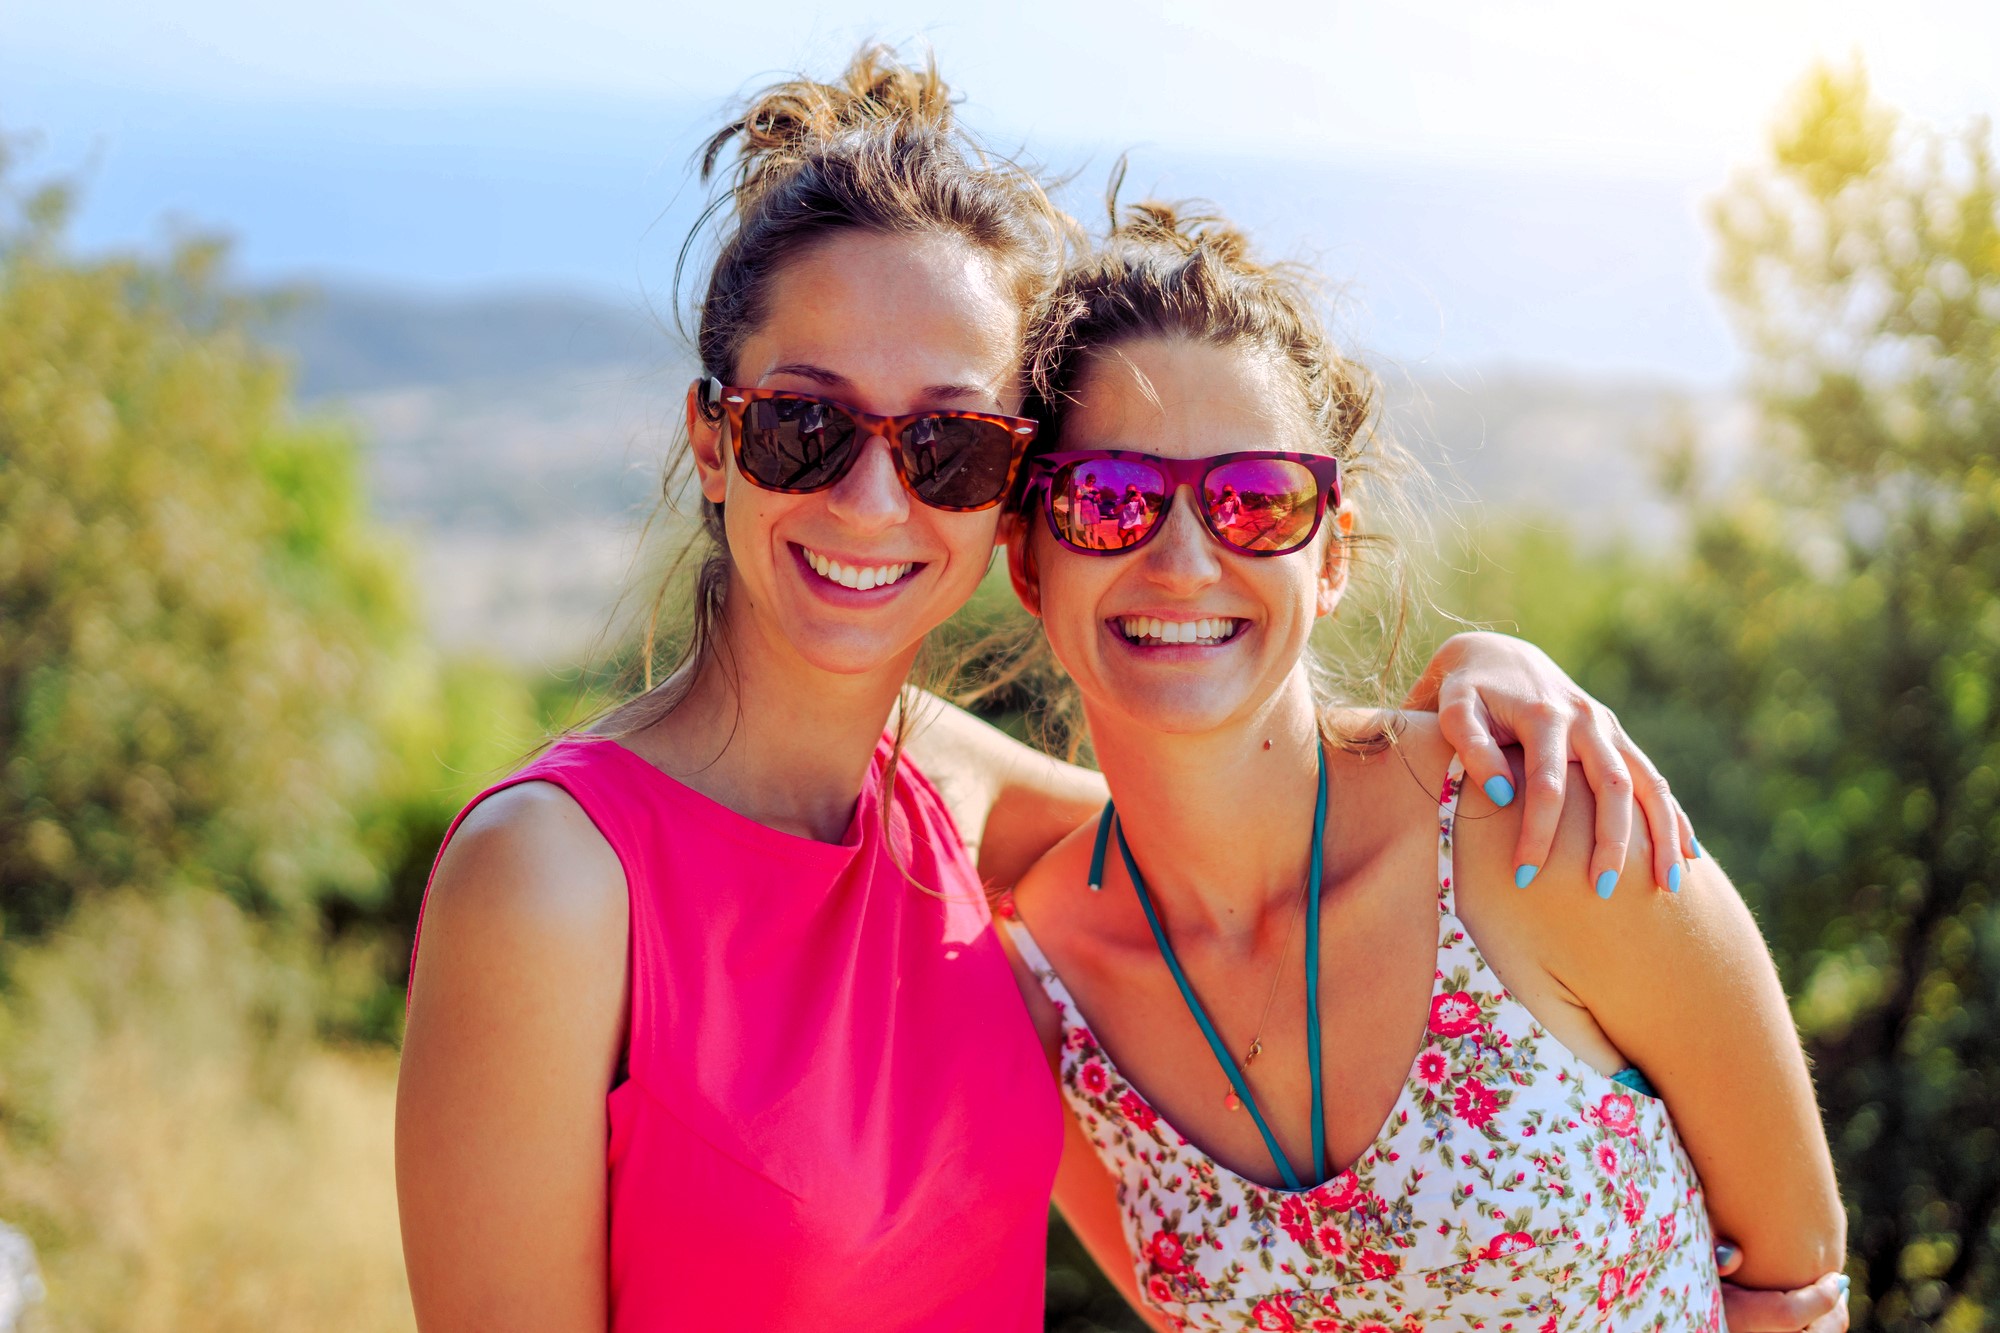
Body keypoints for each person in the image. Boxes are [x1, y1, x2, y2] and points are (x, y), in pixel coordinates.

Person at [395, 48, 1704, 1333]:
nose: (872, 497)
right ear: (713, 439)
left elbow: (1262, 828)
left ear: (1013, 496)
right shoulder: (556, 878)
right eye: (807, 423)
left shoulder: (949, 794)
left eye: (949, 446)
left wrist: (1474, 683)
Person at [998, 202, 1850, 1331]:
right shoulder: (1045, 1004)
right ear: (1025, 560)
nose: (1185, 558)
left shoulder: (1538, 823)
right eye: (1110, 500)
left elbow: (1796, 1285)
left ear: (1333, 554)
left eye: (1255, 497)